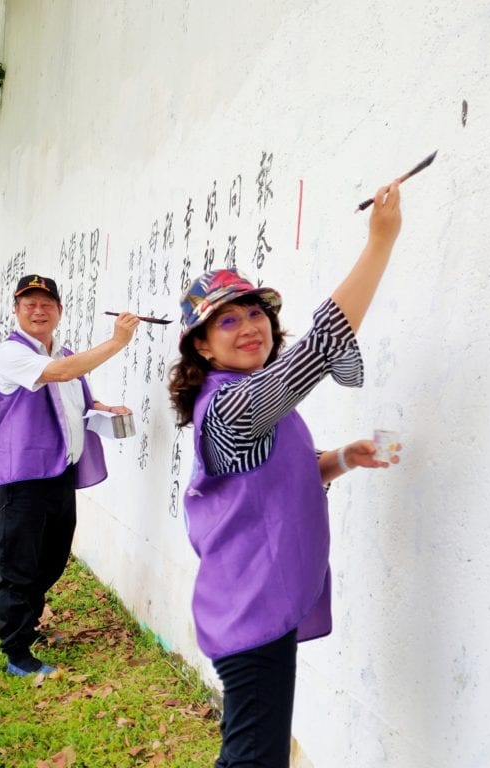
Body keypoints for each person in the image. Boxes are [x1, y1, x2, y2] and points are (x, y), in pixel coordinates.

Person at [168, 181, 403, 767]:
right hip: (249, 607)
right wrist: (379, 242)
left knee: (257, 754)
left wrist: (343, 458)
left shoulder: (251, 399)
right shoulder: (230, 407)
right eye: (228, 322)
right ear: (201, 346)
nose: (250, 326)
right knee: (254, 759)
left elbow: (272, 483)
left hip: (257, 603)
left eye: (256, 313)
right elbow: (323, 345)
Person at [0, 274, 140, 678]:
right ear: (16, 310)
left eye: (46, 304)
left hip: (59, 471)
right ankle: (16, 652)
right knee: (19, 563)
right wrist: (116, 343)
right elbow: (57, 374)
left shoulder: (65, 353)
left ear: (58, 310)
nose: (38, 311)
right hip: (24, 475)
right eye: (29, 304)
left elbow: (75, 397)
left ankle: (29, 625)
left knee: (52, 557)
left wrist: (107, 409)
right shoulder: (12, 353)